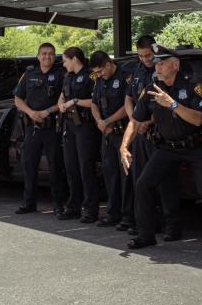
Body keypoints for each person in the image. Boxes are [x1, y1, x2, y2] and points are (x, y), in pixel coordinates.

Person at [122, 44, 202, 251]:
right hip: (167, 148)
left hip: (195, 147)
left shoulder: (192, 86)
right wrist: (124, 146)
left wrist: (172, 103)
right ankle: (146, 235)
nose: (157, 68)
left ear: (175, 66)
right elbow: (135, 121)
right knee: (143, 183)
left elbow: (198, 119)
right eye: (156, 64)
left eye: (161, 64)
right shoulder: (151, 89)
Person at [122, 35, 180, 239]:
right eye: (141, 56)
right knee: (141, 181)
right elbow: (129, 98)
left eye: (148, 55)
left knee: (165, 183)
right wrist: (135, 120)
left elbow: (165, 102)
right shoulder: (137, 71)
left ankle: (171, 225)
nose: (145, 60)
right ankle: (146, 224)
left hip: (158, 132)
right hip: (139, 133)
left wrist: (148, 122)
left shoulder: (162, 70)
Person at [14, 42, 66, 215]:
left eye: (51, 53)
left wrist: (47, 111)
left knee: (55, 167)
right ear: (38, 56)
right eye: (44, 53)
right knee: (29, 166)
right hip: (33, 128)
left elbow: (65, 100)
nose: (47, 56)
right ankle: (29, 203)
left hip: (52, 128)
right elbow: (18, 99)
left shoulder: (61, 75)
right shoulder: (29, 74)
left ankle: (59, 204)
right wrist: (30, 112)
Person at [90, 50, 134, 231]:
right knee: (110, 176)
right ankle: (112, 213)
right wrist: (100, 121)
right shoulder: (99, 80)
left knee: (126, 177)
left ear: (108, 64)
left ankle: (128, 216)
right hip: (107, 134)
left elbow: (127, 105)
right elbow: (94, 103)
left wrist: (108, 121)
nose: (99, 75)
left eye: (101, 71)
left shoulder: (125, 76)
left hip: (123, 132)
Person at [57, 47, 99, 223]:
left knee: (86, 168)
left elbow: (95, 100)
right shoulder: (68, 76)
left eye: (65, 60)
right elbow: (62, 95)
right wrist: (61, 103)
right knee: (71, 168)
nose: (64, 64)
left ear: (74, 59)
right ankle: (73, 206)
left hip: (85, 126)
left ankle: (90, 209)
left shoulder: (91, 76)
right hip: (70, 126)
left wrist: (75, 101)